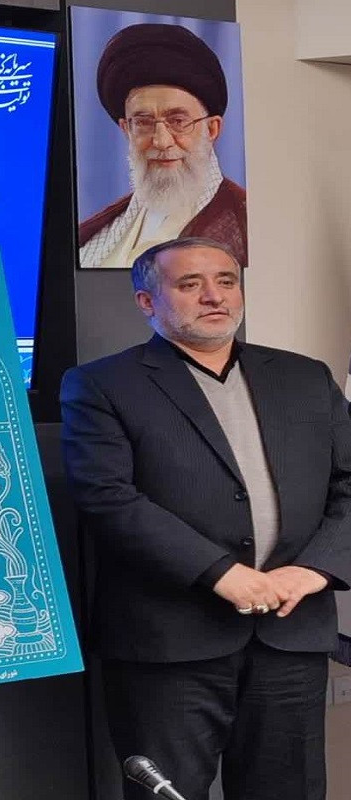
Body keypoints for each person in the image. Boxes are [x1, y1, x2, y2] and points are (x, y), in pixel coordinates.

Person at [60, 237, 351, 799]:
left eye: (226, 281)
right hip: (169, 642)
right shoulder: (101, 384)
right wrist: (220, 572)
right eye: (189, 284)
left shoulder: (306, 378)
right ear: (147, 302)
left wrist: (314, 570)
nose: (214, 296)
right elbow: (107, 498)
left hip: (291, 634)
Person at [77, 24, 248, 269]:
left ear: (212, 129)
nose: (161, 141)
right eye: (144, 123)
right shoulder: (98, 232)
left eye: (178, 121)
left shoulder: (246, 221)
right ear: (126, 129)